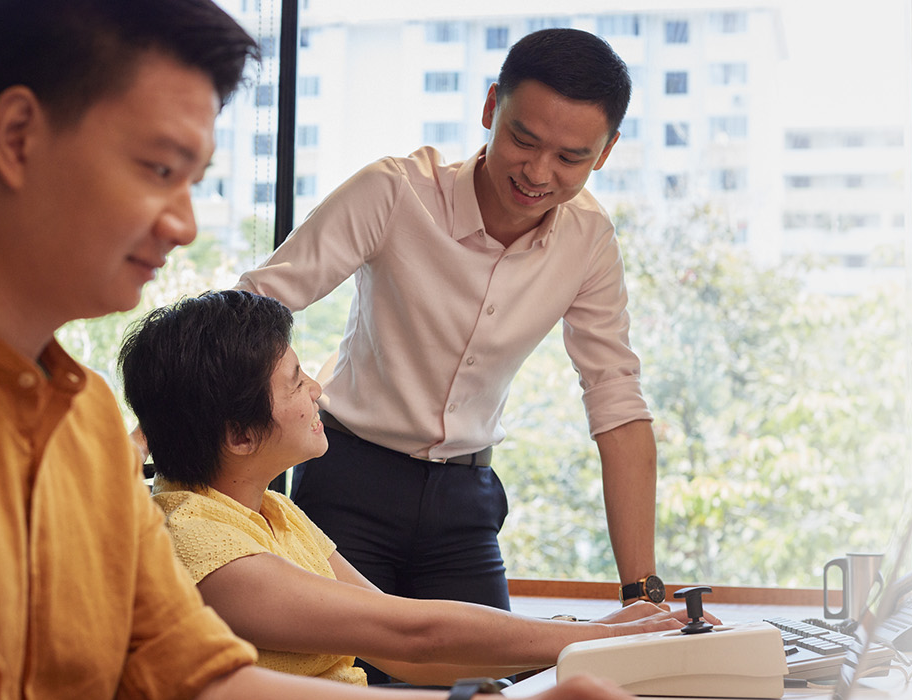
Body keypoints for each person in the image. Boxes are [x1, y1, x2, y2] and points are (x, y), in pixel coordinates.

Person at [0, 2, 682, 700]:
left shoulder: (82, 428)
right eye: (159, 169)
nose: (185, 223)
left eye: (193, 179)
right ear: (19, 137)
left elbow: (194, 689)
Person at [236, 28, 665, 621]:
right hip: (350, 479)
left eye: (571, 158)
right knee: (346, 685)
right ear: (492, 107)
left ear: (607, 150)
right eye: (523, 139)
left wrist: (642, 597)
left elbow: (617, 402)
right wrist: (172, 441)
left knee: (483, 695)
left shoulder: (588, 240)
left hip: (466, 503)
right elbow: (253, 305)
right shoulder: (394, 192)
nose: (539, 173)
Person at [118, 290, 708, 686]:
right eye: (297, 384)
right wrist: (601, 639)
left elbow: (399, 649)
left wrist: (590, 646)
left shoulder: (269, 508)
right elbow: (411, 632)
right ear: (241, 436)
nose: (317, 392)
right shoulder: (198, 542)